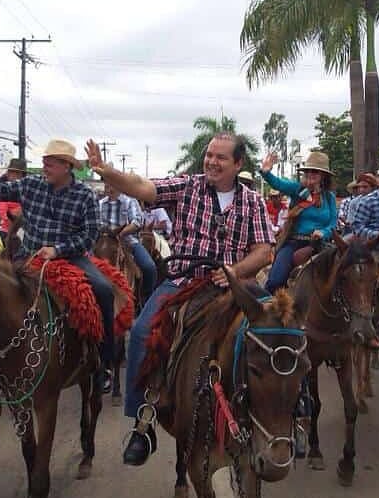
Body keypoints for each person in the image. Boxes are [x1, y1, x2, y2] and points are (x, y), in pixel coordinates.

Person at [83, 133, 274, 466]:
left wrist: (235, 270)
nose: (212, 162)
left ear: (238, 164)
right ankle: (142, 420)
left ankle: (288, 407)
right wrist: (105, 170)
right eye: (209, 155)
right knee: (142, 331)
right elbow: (142, 187)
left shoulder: (253, 201)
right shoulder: (188, 186)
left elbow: (264, 250)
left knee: (280, 328)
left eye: (221, 157)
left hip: (233, 285)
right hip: (185, 281)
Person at [0, 139, 116, 393]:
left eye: (50, 163)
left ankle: (104, 361)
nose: (44, 167)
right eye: (44, 162)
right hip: (29, 257)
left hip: (69, 257)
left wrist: (58, 249)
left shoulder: (85, 195)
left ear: (67, 166)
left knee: (103, 290)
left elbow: (90, 235)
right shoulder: (30, 185)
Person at [259, 150, 337, 293]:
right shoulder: (297, 189)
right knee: (276, 280)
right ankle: (265, 309)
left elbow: (333, 224)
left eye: (315, 171)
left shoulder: (329, 197)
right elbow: (278, 184)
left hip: (321, 244)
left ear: (323, 176)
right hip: (294, 242)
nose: (310, 174)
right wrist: (266, 172)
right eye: (308, 170)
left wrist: (323, 233)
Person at [99, 182, 157, 299]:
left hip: (127, 240)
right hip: (104, 240)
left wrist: (122, 232)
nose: (108, 188)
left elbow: (137, 222)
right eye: (106, 185)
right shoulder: (100, 203)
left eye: (111, 184)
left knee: (149, 267)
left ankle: (146, 298)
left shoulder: (130, 201)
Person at [0, 158, 27, 239]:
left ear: (22, 175)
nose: (11, 175)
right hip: (4, 229)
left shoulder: (29, 191)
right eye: (11, 172)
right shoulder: (1, 191)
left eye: (16, 173)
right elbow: (0, 213)